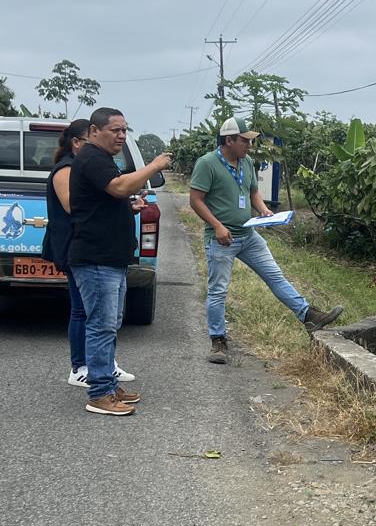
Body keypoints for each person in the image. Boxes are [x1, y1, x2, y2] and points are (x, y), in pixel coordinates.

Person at [189, 116, 342, 364]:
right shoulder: (207, 163)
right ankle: (218, 341)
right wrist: (217, 226)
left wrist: (263, 211)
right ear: (229, 140)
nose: (249, 145)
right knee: (218, 290)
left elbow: (252, 192)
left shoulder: (247, 162)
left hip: (248, 234)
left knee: (275, 276)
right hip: (222, 239)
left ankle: (308, 315)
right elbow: (196, 200)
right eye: (245, 140)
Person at [68, 107, 172, 416]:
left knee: (110, 324)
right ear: (94, 131)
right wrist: (154, 165)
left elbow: (107, 199)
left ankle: (109, 385)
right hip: (96, 259)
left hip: (110, 259)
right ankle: (100, 393)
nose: (122, 136)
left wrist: (128, 207)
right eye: (115, 130)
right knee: (101, 325)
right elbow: (119, 187)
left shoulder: (102, 159)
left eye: (125, 130)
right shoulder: (91, 157)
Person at [42, 119, 136, 390]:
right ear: (78, 142)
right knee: (84, 312)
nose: (119, 137)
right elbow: (75, 205)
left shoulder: (88, 165)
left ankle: (103, 368)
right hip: (80, 248)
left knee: (101, 317)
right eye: (90, 140)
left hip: (98, 249)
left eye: (123, 131)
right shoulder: (67, 169)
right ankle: (82, 368)